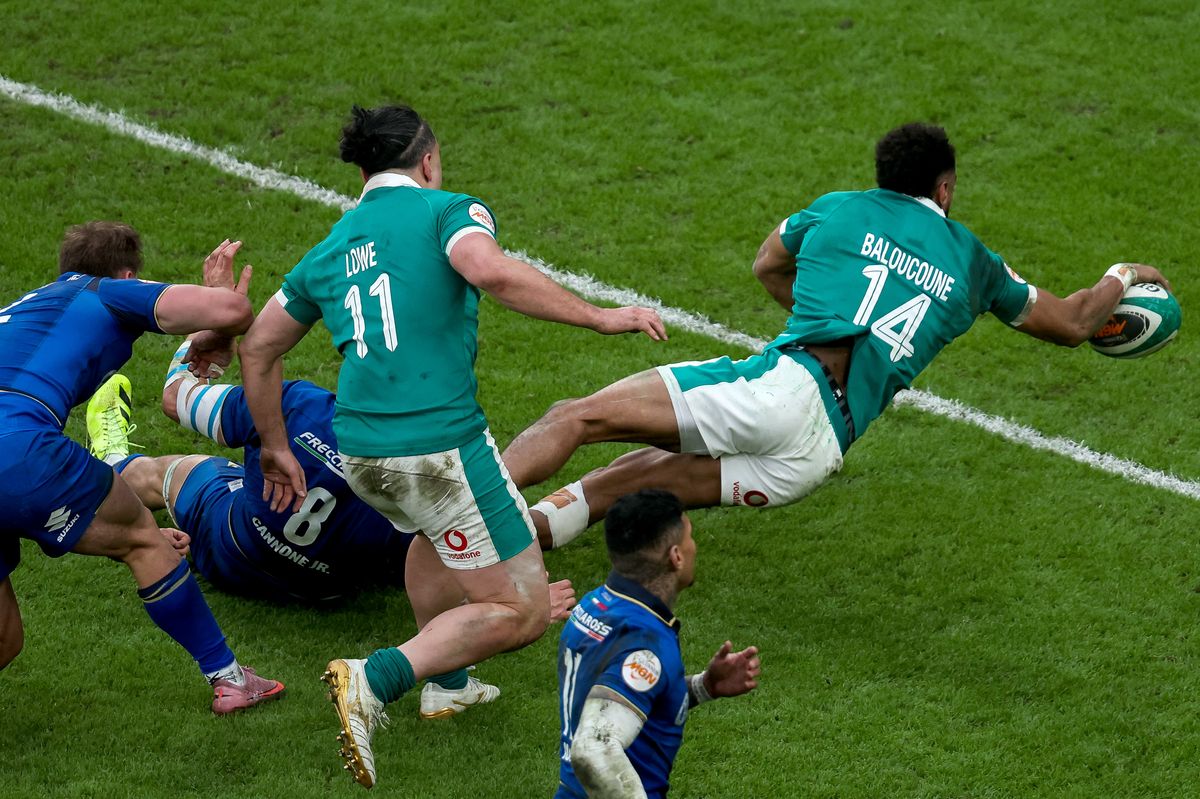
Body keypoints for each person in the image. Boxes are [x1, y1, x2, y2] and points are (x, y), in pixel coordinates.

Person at [236, 104, 666, 788]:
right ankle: (373, 677)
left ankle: (452, 681)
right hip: (438, 446)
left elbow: (259, 346)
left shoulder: (331, 246)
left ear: (362, 171)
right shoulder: (448, 212)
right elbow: (487, 271)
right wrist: (602, 316)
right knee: (522, 609)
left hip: (362, 452)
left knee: (433, 536)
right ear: (428, 160)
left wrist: (274, 445)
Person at [501, 122, 1173, 550]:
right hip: (819, 451)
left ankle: (467, 517)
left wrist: (816, 309)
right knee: (633, 479)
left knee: (578, 416)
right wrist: (1124, 272)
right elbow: (1075, 322)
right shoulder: (974, 262)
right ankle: (534, 529)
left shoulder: (839, 209)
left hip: (785, 390)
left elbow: (767, 264)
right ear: (945, 189)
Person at [87, 336, 577, 719]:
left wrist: (201, 347)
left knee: (174, 469)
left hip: (233, 547)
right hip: (327, 590)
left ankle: (112, 459)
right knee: (435, 534)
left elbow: (176, 399)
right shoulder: (425, 467)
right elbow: (450, 554)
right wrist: (511, 600)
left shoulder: (296, 404)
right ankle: (451, 682)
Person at [0, 224, 283, 714]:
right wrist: (218, 295)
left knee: (5, 637)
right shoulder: (104, 292)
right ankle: (231, 680)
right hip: (19, 448)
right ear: (127, 275)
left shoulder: (26, 308)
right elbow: (233, 312)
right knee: (142, 541)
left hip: (18, 447)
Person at [556, 489, 759, 798]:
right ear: (676, 556)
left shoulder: (596, 605)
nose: (696, 547)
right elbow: (593, 748)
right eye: (690, 538)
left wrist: (704, 686)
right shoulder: (645, 643)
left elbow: (625, 695)